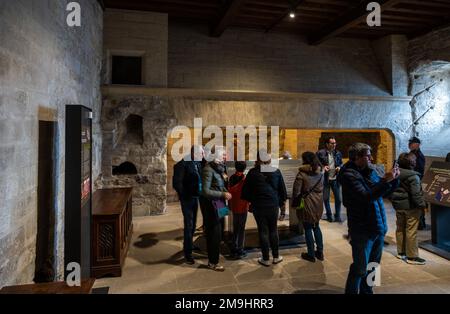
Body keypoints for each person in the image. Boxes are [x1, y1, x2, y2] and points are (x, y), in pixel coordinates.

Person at [338, 143, 399, 294]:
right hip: (362, 229)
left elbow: (381, 193)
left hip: (378, 226)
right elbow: (366, 197)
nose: (371, 158)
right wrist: (385, 180)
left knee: (374, 265)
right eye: (367, 155)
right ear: (357, 157)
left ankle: (368, 291)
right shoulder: (348, 175)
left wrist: (394, 180)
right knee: (360, 267)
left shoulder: (369, 171)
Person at [242, 149, 287, 266]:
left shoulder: (252, 173)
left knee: (263, 231)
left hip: (259, 205)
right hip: (273, 204)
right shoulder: (276, 171)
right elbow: (282, 190)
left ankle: (265, 258)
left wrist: (252, 200)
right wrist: (282, 206)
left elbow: (246, 191)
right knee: (273, 230)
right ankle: (276, 256)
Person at [390, 153, 427, 265]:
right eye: (414, 160)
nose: (416, 162)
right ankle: (412, 257)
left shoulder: (395, 173)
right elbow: (416, 195)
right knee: (411, 230)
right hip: (411, 207)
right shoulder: (413, 176)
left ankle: (401, 252)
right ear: (411, 163)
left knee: (400, 228)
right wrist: (422, 205)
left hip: (399, 206)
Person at [199, 146, 231, 271]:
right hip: (212, 205)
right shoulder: (208, 169)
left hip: (220, 203)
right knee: (214, 233)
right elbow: (206, 191)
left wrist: (225, 191)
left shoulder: (219, 168)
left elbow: (220, 184)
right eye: (223, 155)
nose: (225, 157)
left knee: (221, 232)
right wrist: (223, 194)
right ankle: (213, 262)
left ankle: (215, 254)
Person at [172, 145, 204, 265]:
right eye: (201, 153)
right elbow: (177, 183)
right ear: (194, 153)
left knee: (194, 223)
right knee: (189, 224)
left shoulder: (197, 162)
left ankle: (190, 244)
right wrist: (185, 195)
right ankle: (188, 253)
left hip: (195, 196)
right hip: (187, 199)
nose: (203, 156)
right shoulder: (182, 164)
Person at [291, 152, 324, 262]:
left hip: (307, 203)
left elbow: (296, 192)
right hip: (318, 203)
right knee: (316, 226)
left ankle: (310, 254)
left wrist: (295, 202)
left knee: (308, 227)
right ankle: (320, 252)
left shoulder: (302, 174)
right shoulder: (320, 171)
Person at [316, 136, 343, 222]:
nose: (334, 145)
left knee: (338, 199)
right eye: (332, 143)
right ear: (327, 144)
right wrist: (323, 167)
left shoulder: (338, 153)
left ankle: (337, 215)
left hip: (336, 179)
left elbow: (341, 163)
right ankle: (329, 215)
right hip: (325, 179)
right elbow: (315, 163)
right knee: (326, 198)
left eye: (335, 143)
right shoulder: (320, 153)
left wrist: (339, 167)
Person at [228, 161, 250, 259]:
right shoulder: (245, 179)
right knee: (242, 228)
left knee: (235, 227)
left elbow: (229, 191)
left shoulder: (232, 178)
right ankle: (240, 249)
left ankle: (233, 247)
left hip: (234, 205)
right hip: (243, 205)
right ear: (244, 168)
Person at [409, 136, 426, 230]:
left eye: (412, 143)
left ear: (417, 145)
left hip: (416, 181)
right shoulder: (412, 153)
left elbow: (419, 170)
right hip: (412, 180)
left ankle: (421, 223)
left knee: (418, 202)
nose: (410, 145)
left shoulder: (419, 156)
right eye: (410, 143)